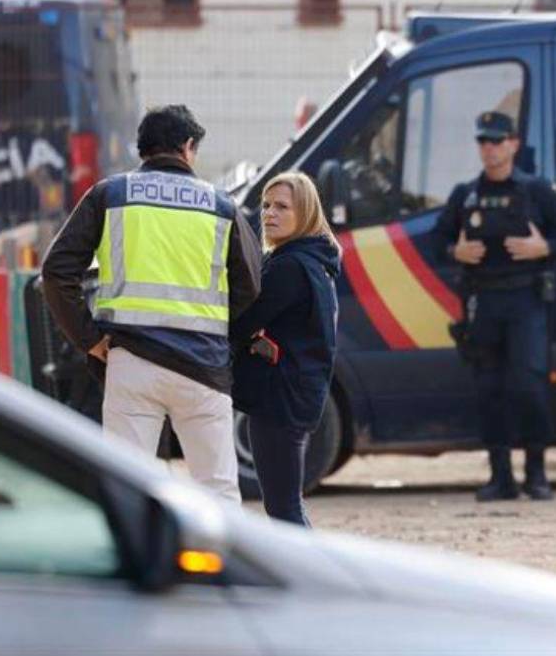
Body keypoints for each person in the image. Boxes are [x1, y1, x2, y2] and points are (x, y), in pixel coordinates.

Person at [41, 105, 262, 503]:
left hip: (132, 364)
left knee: (129, 490)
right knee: (218, 490)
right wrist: (218, 336)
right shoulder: (221, 205)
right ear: (188, 147)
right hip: (203, 369)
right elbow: (249, 285)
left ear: (142, 148)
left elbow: (56, 272)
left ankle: (139, 566)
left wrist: (89, 339)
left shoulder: (109, 195)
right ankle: (223, 564)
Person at [434, 111, 556, 502]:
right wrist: (457, 250)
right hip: (482, 302)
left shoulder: (535, 190)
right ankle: (500, 478)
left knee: (529, 388)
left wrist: (546, 248)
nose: (489, 148)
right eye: (483, 142)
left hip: (525, 301)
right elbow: (436, 241)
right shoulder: (466, 195)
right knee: (489, 390)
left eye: (497, 141)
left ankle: (536, 474)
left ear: (514, 144)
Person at [230, 171, 341, 526]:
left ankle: (313, 580)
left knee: (284, 510)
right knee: (285, 506)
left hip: (280, 399)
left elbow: (241, 322)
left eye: (282, 207)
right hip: (296, 395)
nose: (269, 214)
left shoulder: (289, 267)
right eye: (265, 205)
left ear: (305, 213)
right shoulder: (314, 262)